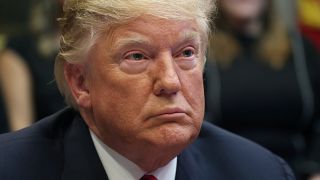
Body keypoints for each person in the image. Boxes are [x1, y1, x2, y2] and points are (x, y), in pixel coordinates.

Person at [0, 0, 295, 179]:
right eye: (137, 56)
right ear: (80, 82)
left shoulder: (260, 172)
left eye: (186, 53)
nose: (170, 81)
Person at [204, 0, 320, 179]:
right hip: (224, 170)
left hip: (296, 172)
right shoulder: (200, 52)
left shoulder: (301, 51)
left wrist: (315, 170)